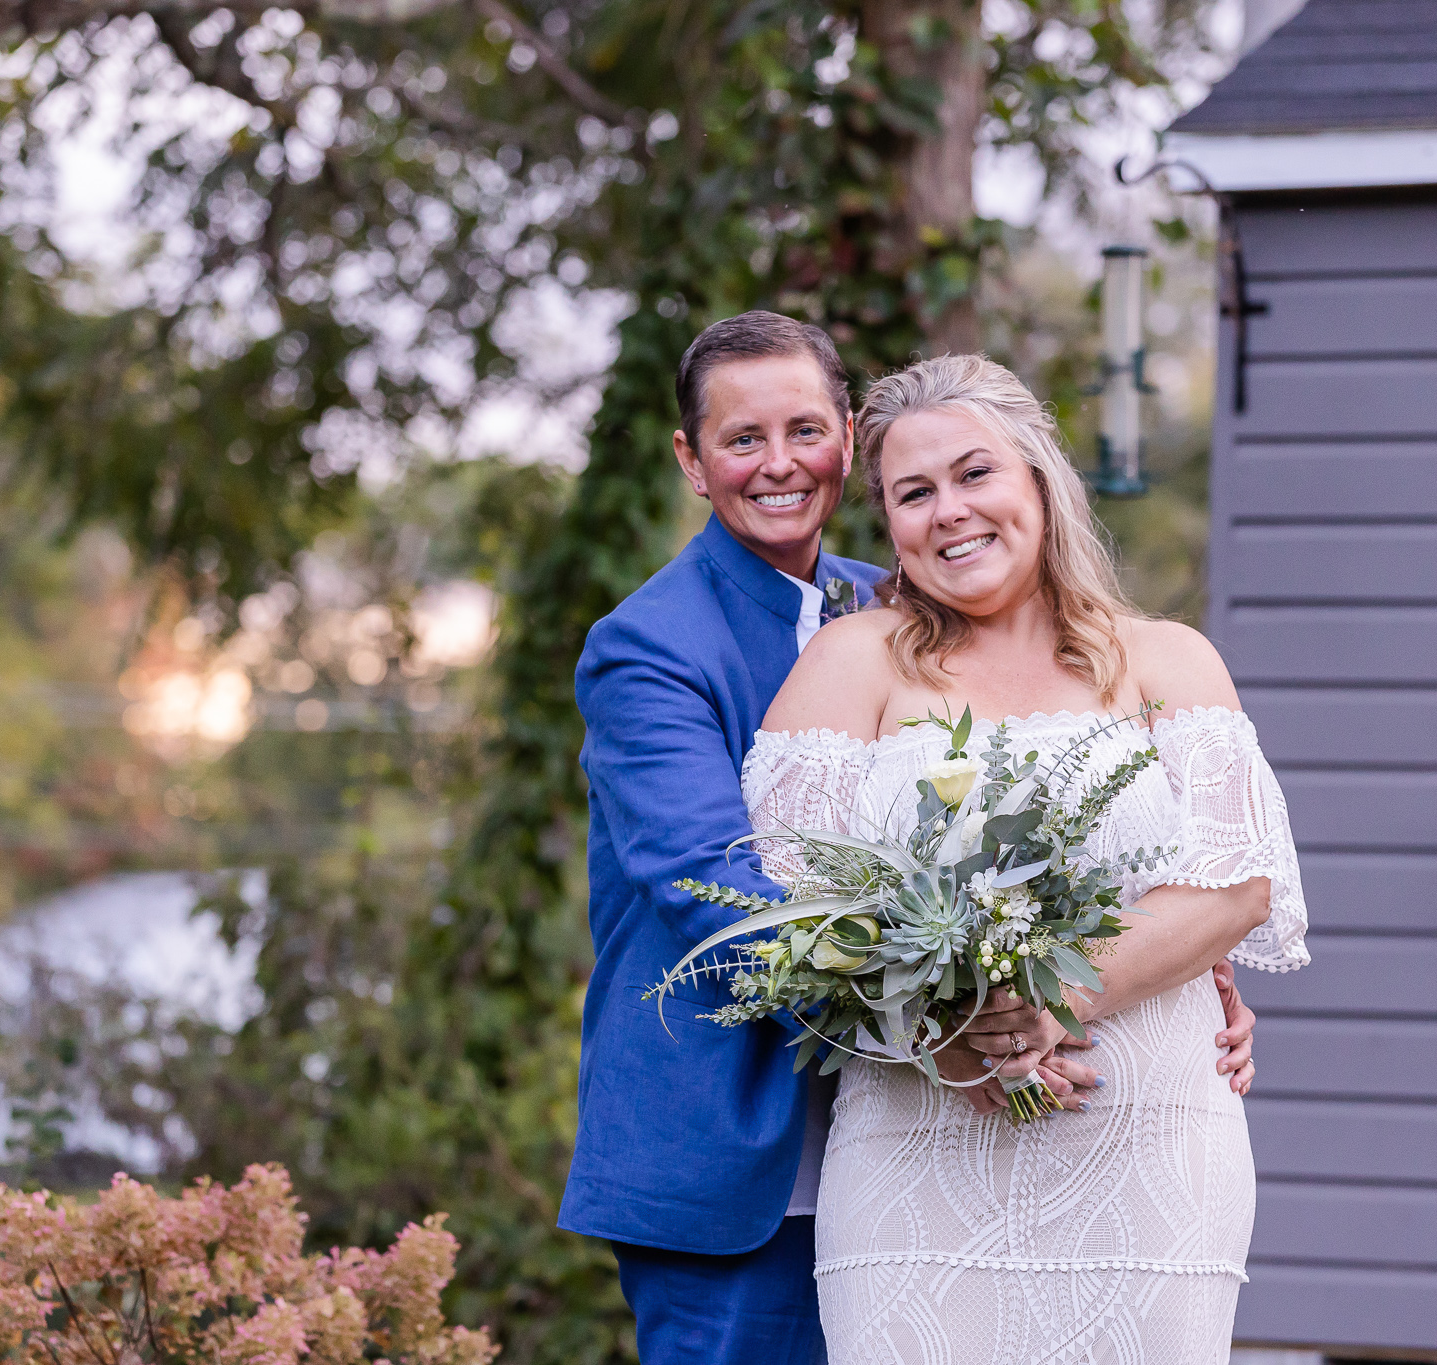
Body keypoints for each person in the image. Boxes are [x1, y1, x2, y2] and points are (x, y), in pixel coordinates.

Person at [560, 314, 1264, 1365]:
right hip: (737, 1145)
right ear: (691, 461)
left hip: (949, 1125)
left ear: (846, 440)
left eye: (803, 429)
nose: (778, 463)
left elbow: (1115, 851)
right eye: (740, 439)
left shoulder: (899, 597)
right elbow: (724, 895)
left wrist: (1163, 962)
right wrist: (957, 1027)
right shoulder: (649, 649)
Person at [748, 352, 1309, 1365]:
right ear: (892, 526)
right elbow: (789, 910)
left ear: (1038, 481)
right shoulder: (850, 664)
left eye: (974, 475)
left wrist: (1055, 1003)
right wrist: (948, 1036)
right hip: (914, 1151)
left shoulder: (1166, 661)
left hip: (1145, 1150)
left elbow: (1233, 885)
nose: (948, 511)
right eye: (912, 494)